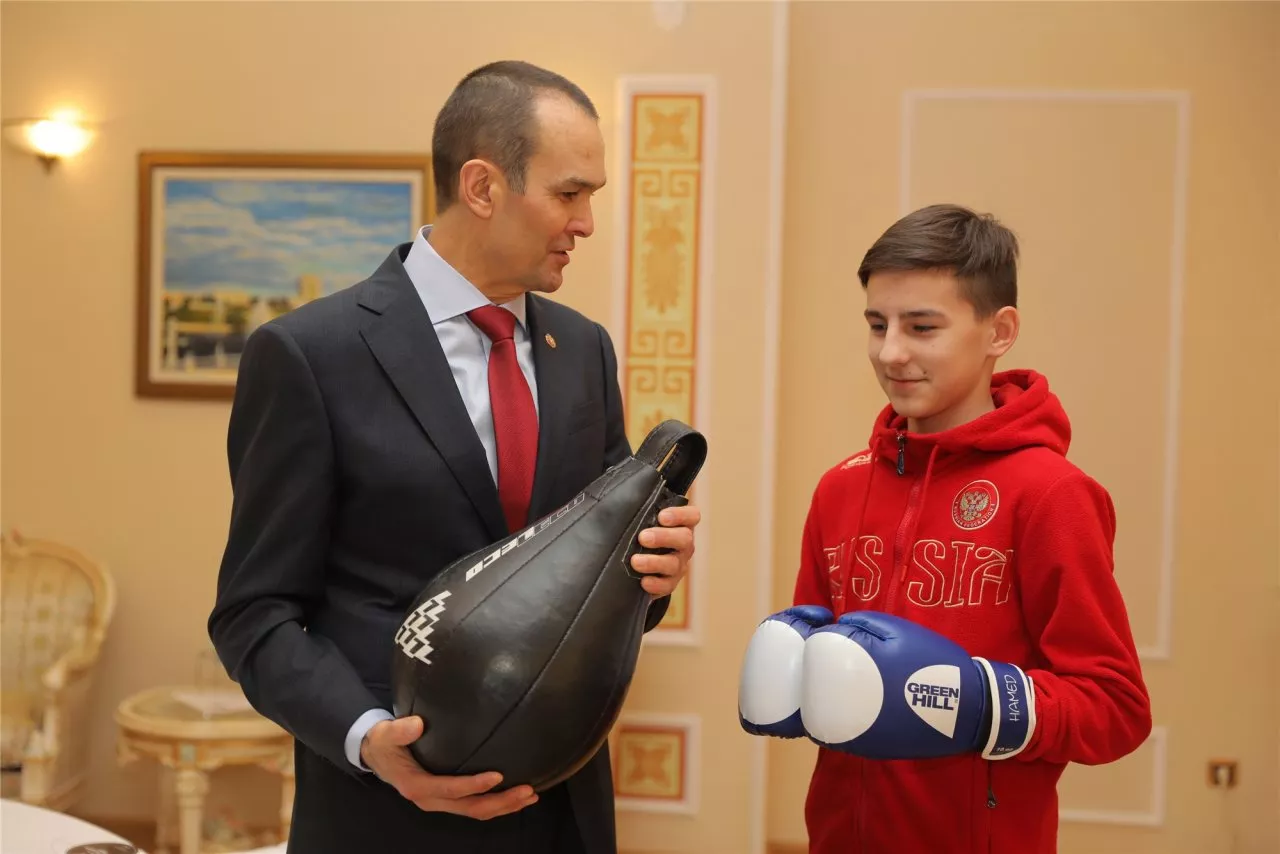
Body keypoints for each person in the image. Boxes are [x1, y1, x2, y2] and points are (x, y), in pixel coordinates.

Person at [208, 60, 701, 854]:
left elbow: (597, 590)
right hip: (383, 816)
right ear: (482, 187)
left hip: (562, 814)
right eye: (569, 194)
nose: (586, 223)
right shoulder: (309, 356)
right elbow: (253, 615)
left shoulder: (584, 351)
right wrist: (369, 739)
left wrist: (651, 575)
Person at [738, 204, 1151, 852]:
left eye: (922, 327)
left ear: (999, 331)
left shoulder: (1052, 494)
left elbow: (1116, 708)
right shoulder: (840, 488)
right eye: (877, 325)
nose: (891, 352)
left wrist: (984, 703)